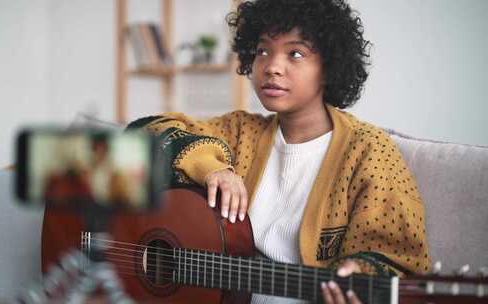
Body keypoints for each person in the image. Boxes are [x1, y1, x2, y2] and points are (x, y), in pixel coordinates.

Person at [127, 0, 431, 303]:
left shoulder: (369, 151)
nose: (272, 67)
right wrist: (210, 167)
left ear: (329, 67)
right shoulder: (239, 132)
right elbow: (142, 133)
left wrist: (362, 270)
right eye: (262, 51)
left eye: (295, 53)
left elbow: (398, 257)